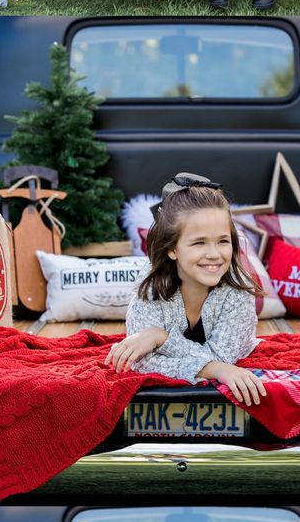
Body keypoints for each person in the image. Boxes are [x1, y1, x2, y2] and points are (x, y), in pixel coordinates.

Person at [105, 173, 266, 406]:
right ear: (172, 249)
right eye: (199, 242)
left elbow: (221, 359)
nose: (214, 254)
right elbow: (141, 362)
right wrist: (216, 370)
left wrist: (160, 338)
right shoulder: (150, 285)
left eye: (222, 241)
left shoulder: (237, 290)